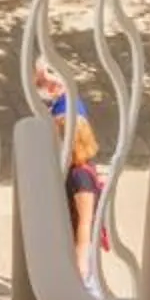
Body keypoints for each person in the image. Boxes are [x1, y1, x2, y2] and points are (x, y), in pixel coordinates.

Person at [64, 113, 106, 288]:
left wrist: (80, 259)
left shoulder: (80, 177)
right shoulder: (82, 166)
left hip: (81, 244)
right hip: (78, 241)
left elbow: (84, 222)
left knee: (87, 289)